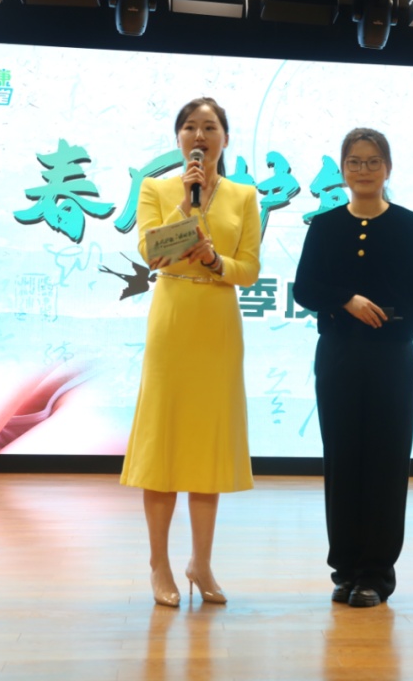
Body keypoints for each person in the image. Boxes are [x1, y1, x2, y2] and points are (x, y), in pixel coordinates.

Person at [120, 97, 261, 607]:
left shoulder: (244, 195)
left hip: (217, 320)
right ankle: (159, 564)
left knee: (207, 445)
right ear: (178, 138)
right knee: (164, 442)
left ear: (226, 137)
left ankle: (201, 563)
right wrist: (184, 204)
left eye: (210, 127)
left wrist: (217, 261)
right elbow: (151, 252)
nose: (200, 136)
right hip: (173, 316)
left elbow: (249, 269)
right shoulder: (156, 189)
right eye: (190, 128)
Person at [293, 128, 413, 608]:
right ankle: (345, 570)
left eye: (373, 161)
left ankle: (376, 574)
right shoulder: (325, 225)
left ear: (388, 168)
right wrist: (346, 301)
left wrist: (394, 333)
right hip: (338, 356)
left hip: (392, 359)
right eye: (355, 162)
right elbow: (304, 289)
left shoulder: (409, 225)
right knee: (343, 461)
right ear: (342, 170)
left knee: (386, 463)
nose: (364, 170)